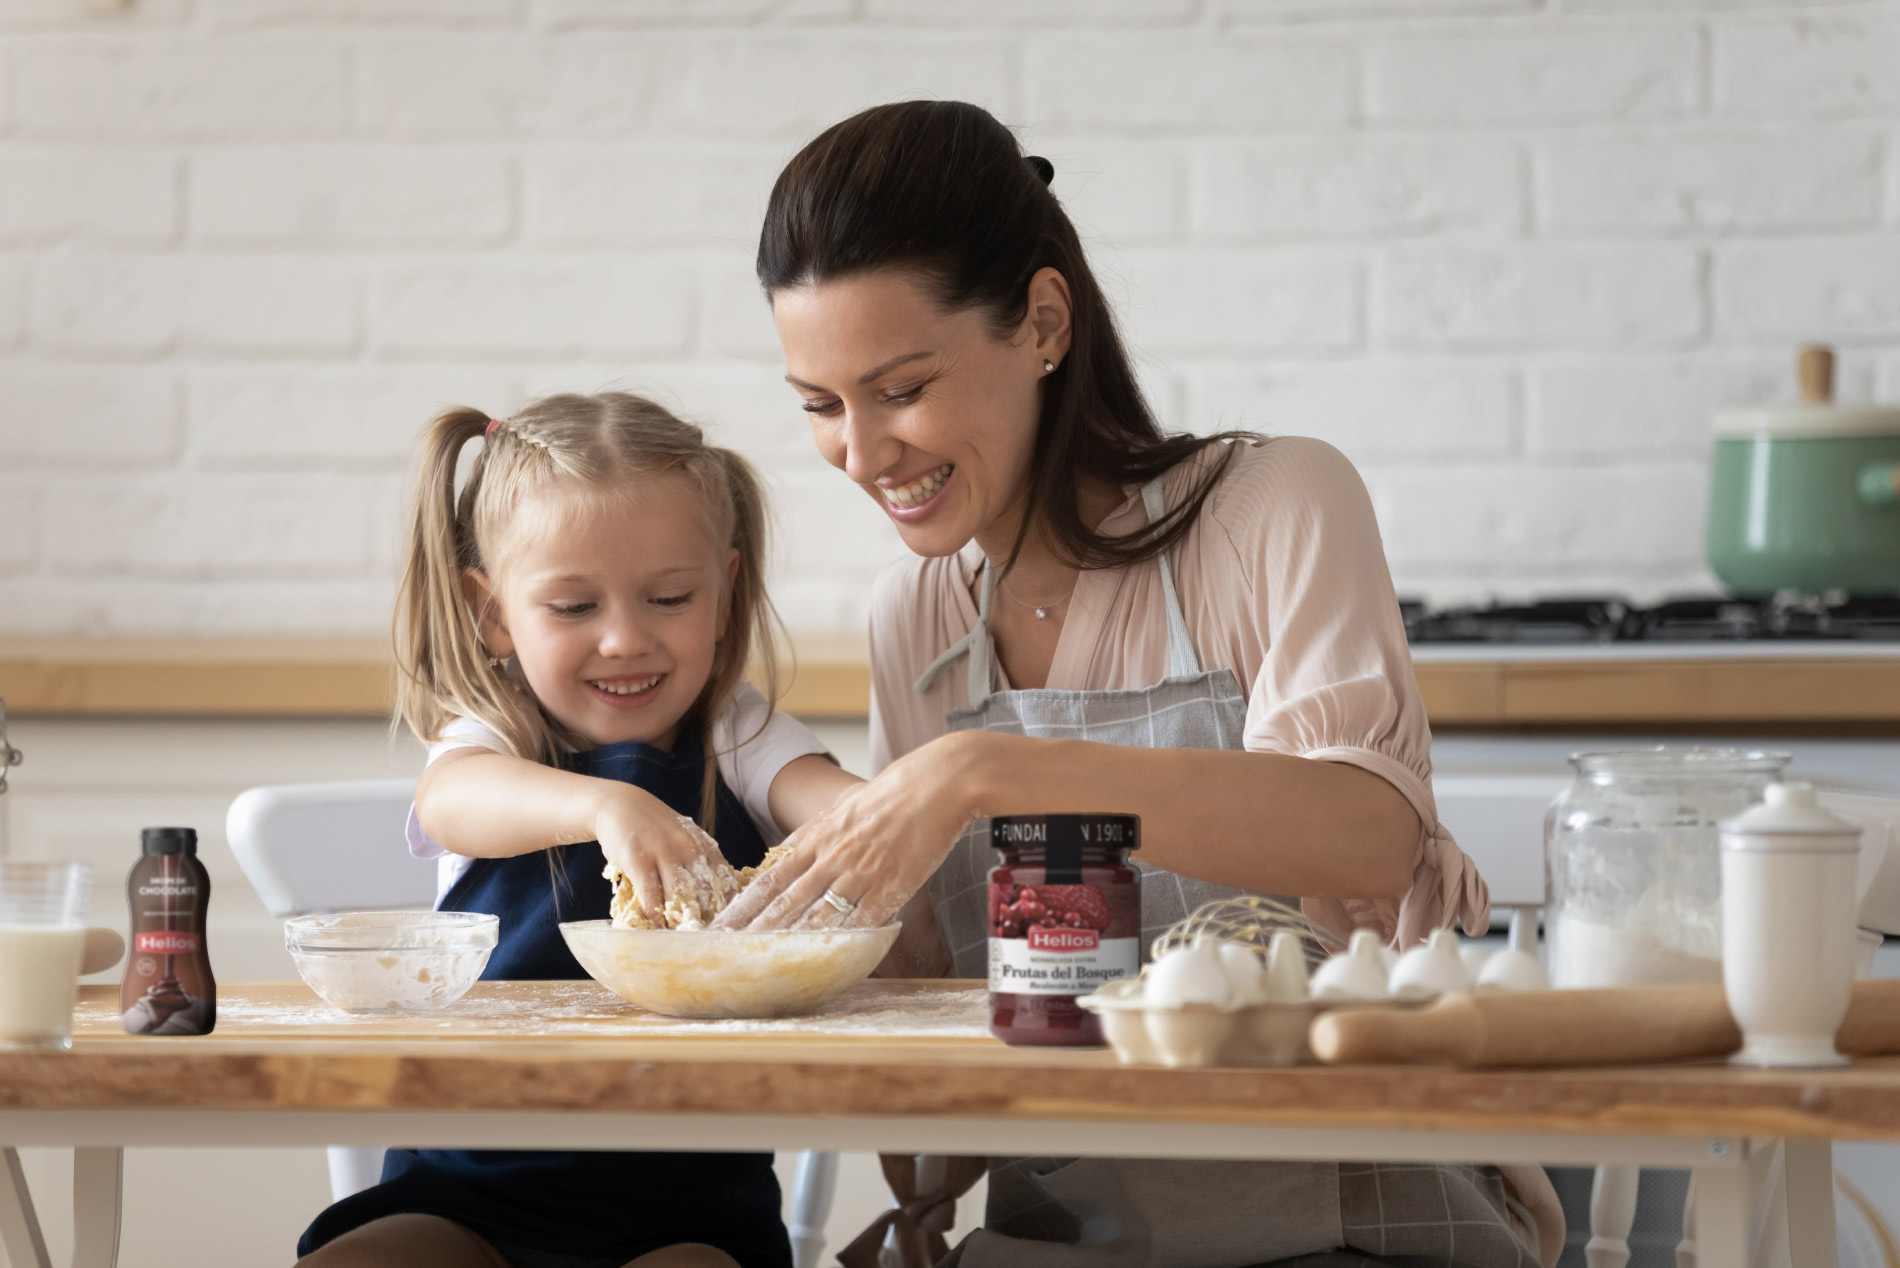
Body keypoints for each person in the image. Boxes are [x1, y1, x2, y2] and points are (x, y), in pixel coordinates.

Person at [716, 102, 1564, 1268]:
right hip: (1063, 1235)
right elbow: (946, 995)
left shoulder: (1272, 507)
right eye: (820, 405)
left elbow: (1364, 834)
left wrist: (987, 768)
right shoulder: (918, 616)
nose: (861, 454)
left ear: (1044, 321)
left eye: (900, 387)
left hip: (1359, 1220)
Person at [297, 392, 863, 1268]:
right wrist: (604, 806)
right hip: (465, 1194)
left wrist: (905, 811)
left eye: (669, 597)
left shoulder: (737, 736)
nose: (624, 640)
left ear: (725, 594)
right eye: (572, 608)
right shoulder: (494, 739)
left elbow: (839, 809)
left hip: (689, 1210)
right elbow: (451, 801)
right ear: (491, 614)